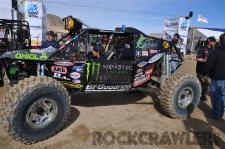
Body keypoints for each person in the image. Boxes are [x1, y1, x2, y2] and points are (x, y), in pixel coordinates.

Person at [207, 33, 225, 120]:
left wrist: (206, 73)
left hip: (217, 78)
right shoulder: (216, 51)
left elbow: (209, 64)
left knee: (216, 96)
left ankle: (217, 114)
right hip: (221, 78)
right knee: (222, 96)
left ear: (220, 41)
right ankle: (221, 112)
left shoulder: (216, 51)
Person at [196, 36, 216, 101]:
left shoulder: (213, 50)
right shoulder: (203, 48)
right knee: (201, 83)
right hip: (201, 70)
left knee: (206, 84)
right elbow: (197, 58)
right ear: (209, 41)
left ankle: (203, 95)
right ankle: (198, 95)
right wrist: (205, 60)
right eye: (213, 41)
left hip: (208, 71)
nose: (214, 43)